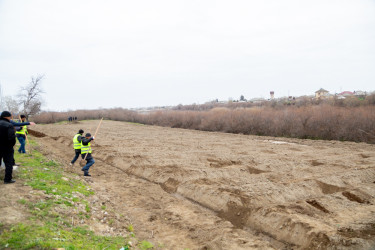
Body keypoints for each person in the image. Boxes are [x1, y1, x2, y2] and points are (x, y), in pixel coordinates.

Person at [0, 111, 17, 183]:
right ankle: (7, 179)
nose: (10, 118)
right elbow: (11, 138)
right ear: (7, 117)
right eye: (10, 116)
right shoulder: (9, 125)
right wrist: (11, 145)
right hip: (7, 147)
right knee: (8, 163)